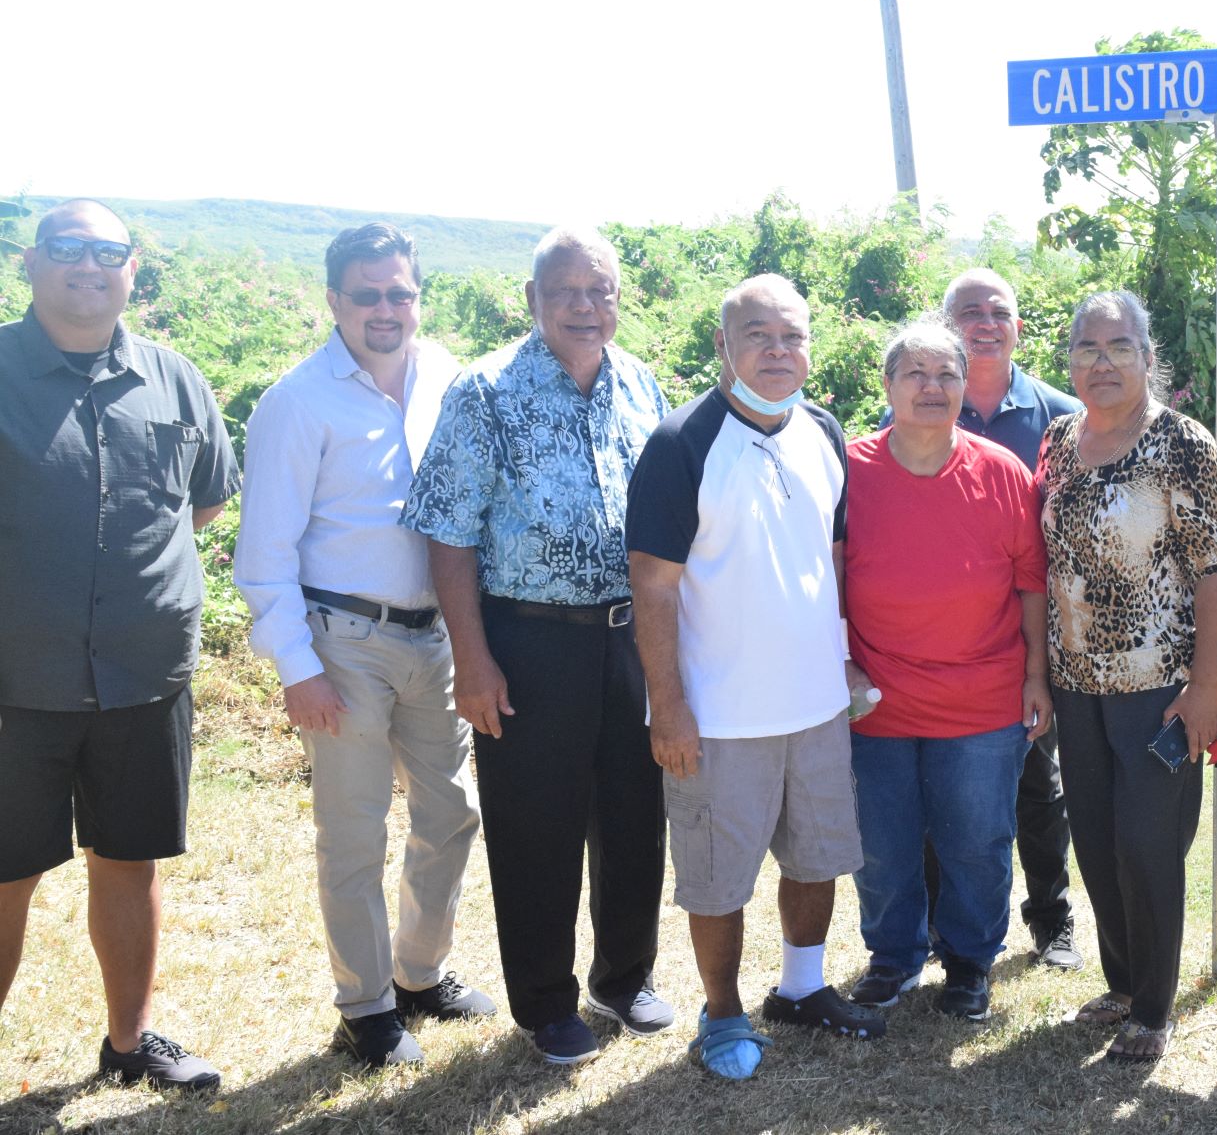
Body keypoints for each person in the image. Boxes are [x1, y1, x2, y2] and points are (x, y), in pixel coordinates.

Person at [401, 227, 673, 1065]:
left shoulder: (640, 383)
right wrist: (472, 661)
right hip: (528, 643)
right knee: (535, 827)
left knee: (635, 815)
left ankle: (623, 978)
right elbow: (448, 538)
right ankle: (547, 1004)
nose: (584, 307)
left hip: (630, 638)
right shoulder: (485, 391)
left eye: (600, 291)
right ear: (533, 300)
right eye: (565, 291)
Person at [234, 223, 492, 1067]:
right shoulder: (298, 400)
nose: (387, 309)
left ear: (418, 296)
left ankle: (420, 974)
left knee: (451, 816)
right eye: (368, 294)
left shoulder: (450, 377)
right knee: (353, 832)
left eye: (401, 293)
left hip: (439, 637)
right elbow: (263, 554)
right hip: (342, 639)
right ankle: (366, 1004)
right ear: (335, 301)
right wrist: (297, 668)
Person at [0, 199, 238, 1090]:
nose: (88, 266)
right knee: (4, 875)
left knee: (130, 861)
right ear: (32, 263)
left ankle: (130, 1045)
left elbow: (203, 500)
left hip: (143, 675)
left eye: (108, 252)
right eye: (68, 249)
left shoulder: (174, 380)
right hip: (13, 678)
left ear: (132, 268)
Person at [628, 273, 883, 1081]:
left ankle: (801, 990)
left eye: (792, 336)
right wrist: (668, 705)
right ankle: (722, 1012)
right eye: (757, 336)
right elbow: (653, 583)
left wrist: (840, 655)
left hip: (813, 704)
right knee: (718, 878)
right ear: (723, 346)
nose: (778, 352)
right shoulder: (681, 443)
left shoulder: (823, 431)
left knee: (816, 855)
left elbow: (833, 556)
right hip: (719, 714)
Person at [1038, 291, 1217, 1062]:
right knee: (1093, 841)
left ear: (1148, 359)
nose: (1102, 362)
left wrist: (1206, 688)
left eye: (1119, 347)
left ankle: (1152, 1009)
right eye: (1087, 348)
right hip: (1074, 685)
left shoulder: (1180, 442)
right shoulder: (1057, 440)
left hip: (1160, 687)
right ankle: (1120, 982)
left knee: (1149, 846)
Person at [844, 318, 1051, 1022]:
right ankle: (893, 958)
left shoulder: (1003, 474)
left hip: (982, 701)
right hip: (876, 700)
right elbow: (823, 582)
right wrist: (838, 666)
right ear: (888, 386)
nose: (931, 388)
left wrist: (1035, 679)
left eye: (946, 375)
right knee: (881, 845)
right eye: (915, 374)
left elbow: (1031, 585)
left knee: (976, 841)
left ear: (965, 387)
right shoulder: (846, 470)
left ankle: (968, 963)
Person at [883, 268, 1084, 969]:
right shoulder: (914, 410)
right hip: (938, 654)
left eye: (998, 310)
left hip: (1035, 637)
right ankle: (944, 931)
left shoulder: (1062, 418)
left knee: (1037, 787)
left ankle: (1050, 915)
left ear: (1017, 327)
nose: (985, 321)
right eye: (968, 311)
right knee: (942, 796)